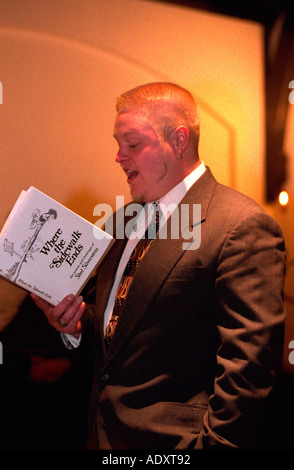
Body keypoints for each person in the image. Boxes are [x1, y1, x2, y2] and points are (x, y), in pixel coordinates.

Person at [31, 82, 286, 450]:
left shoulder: (240, 225)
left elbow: (249, 366)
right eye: (118, 144)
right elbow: (117, 338)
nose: (119, 156)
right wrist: (72, 323)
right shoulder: (119, 223)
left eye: (132, 143)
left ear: (179, 140)